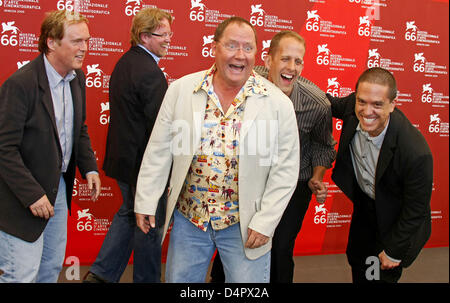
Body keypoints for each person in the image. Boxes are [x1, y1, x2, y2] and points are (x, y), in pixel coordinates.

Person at [134, 17, 300, 283]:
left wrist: (265, 221)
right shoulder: (181, 91)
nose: (240, 55)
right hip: (190, 220)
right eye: (231, 45)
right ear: (214, 47)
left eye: (248, 48)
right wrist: (146, 199)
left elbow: (286, 169)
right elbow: (159, 151)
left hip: (245, 225)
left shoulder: (277, 104)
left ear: (257, 53)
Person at [210, 30, 336, 283]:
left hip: (293, 183)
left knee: (279, 246)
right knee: (239, 240)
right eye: (285, 59)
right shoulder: (242, 81)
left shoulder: (317, 103)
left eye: (298, 61)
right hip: (247, 178)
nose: (291, 67)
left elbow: (324, 145)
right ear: (268, 61)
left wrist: (316, 177)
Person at [0, 10, 101, 283]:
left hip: (58, 191)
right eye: (77, 41)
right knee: (21, 275)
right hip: (21, 197)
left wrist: (89, 168)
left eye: (87, 41)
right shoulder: (21, 84)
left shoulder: (77, 79)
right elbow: (4, 149)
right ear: (51, 43)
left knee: (49, 270)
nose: (85, 48)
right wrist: (32, 194)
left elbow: (78, 128)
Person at [83, 8, 172, 283]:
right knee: (148, 224)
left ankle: (100, 275)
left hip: (125, 163)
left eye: (170, 33)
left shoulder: (126, 62)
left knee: (129, 215)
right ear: (145, 37)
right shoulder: (149, 72)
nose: (169, 39)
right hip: (142, 166)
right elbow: (160, 128)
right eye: (163, 35)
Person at [327, 67, 433, 283]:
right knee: (359, 262)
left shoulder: (415, 153)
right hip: (367, 207)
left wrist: (394, 249)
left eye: (378, 104)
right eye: (362, 101)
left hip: (395, 220)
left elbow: (415, 211)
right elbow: (324, 102)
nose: (367, 112)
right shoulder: (352, 106)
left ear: (392, 104)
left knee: (377, 276)